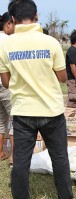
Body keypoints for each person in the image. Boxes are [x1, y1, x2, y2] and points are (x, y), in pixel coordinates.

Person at [0, 0, 74, 198]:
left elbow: (5, 82)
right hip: (52, 111)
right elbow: (62, 78)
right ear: (36, 16)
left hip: (23, 112)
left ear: (13, 19)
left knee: (21, 161)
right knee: (60, 158)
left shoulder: (6, 45)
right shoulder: (50, 42)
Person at [0, 12, 14, 167]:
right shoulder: (9, 41)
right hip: (6, 84)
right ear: (9, 23)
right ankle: (13, 157)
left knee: (0, 121)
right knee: (15, 120)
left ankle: (0, 153)